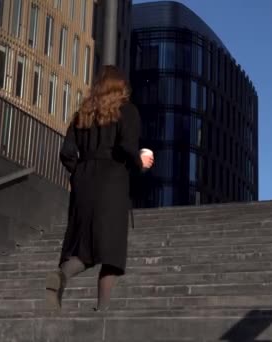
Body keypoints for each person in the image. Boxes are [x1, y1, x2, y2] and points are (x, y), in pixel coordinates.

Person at [45, 65, 154, 312]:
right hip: (112, 181)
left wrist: (78, 171)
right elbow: (127, 146)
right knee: (112, 251)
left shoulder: (82, 114)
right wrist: (141, 161)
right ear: (120, 86)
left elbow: (66, 153)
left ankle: (60, 276)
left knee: (84, 247)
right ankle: (103, 310)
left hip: (83, 180)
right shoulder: (126, 110)